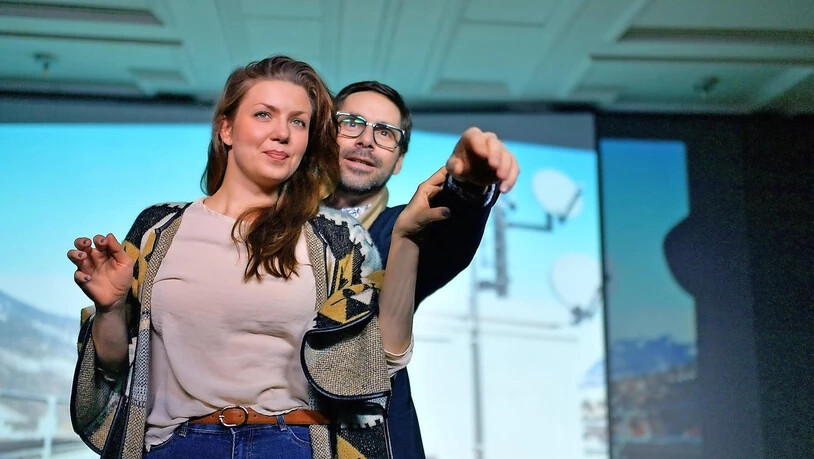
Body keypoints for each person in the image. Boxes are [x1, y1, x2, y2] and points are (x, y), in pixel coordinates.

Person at [67, 56, 445, 459]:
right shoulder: (158, 230)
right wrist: (109, 309)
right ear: (226, 128)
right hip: (175, 446)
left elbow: (382, 357)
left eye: (298, 122)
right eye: (264, 114)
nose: (281, 133)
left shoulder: (336, 238)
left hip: (292, 443)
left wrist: (405, 236)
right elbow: (113, 366)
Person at [328, 81, 519, 458]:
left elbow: (451, 225)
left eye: (385, 133)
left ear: (399, 160)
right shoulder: (278, 228)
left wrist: (468, 183)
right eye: (351, 123)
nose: (367, 140)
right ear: (323, 136)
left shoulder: (408, 228)